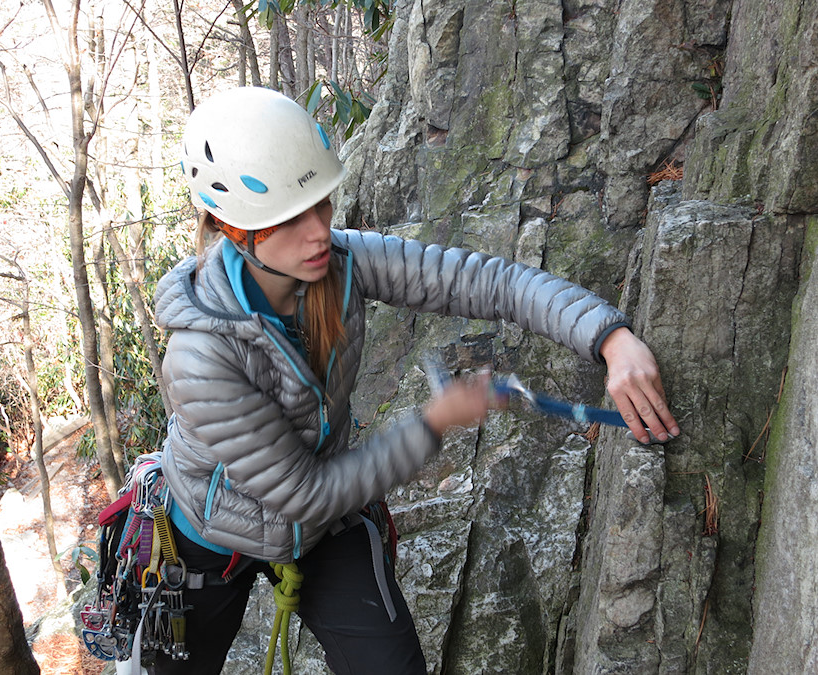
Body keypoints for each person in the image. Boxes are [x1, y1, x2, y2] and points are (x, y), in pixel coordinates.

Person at [151, 86, 679, 674]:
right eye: (289, 220)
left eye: (321, 204)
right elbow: (305, 494)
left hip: (324, 525)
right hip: (214, 533)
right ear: (232, 228)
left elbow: (484, 283)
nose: (319, 231)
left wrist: (610, 337)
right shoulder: (200, 358)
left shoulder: (340, 264)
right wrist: (434, 423)